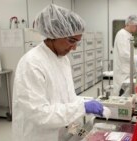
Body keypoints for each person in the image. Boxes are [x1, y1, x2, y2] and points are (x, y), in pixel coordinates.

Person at [12, 4, 103, 141]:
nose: (74, 48)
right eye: (71, 41)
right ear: (54, 34)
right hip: (37, 136)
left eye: (78, 41)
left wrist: (82, 133)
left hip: (62, 133)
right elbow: (40, 114)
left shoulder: (62, 60)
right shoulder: (32, 63)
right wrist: (81, 107)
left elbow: (67, 101)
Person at [113, 15, 137, 96]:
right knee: (120, 94)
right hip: (122, 70)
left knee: (127, 94)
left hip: (127, 69)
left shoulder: (128, 35)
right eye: (136, 25)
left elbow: (129, 52)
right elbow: (124, 54)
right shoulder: (122, 34)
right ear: (129, 24)